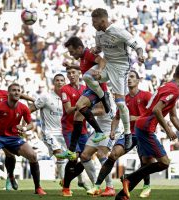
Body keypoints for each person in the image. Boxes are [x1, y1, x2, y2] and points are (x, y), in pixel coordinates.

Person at [116, 64, 179, 200]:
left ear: (174, 74)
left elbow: (173, 116)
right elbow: (156, 110)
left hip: (141, 126)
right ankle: (128, 178)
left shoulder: (166, 86)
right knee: (164, 163)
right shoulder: (174, 91)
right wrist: (168, 130)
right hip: (146, 128)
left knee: (147, 162)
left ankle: (122, 195)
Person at [83, 8, 145, 151]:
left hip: (120, 68)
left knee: (120, 104)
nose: (93, 24)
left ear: (103, 21)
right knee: (87, 76)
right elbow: (99, 48)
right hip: (107, 64)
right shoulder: (98, 33)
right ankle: (103, 96)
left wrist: (140, 55)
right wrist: (94, 50)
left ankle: (128, 133)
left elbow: (137, 46)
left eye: (94, 21)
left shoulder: (118, 31)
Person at [87, 70, 152, 198]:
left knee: (145, 161)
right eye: (128, 77)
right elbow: (117, 118)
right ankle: (97, 185)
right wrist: (112, 130)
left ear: (138, 81)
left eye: (132, 77)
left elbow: (152, 115)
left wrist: (132, 118)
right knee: (112, 155)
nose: (129, 79)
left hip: (144, 133)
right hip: (129, 133)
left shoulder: (146, 95)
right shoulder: (124, 99)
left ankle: (146, 185)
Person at [0, 83, 46, 195]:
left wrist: (25, 128)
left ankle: (38, 188)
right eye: (14, 90)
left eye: (18, 90)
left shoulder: (23, 107)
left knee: (33, 155)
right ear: (8, 93)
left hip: (14, 138)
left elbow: (31, 124)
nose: (17, 92)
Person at [55, 36, 111, 160]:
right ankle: (71, 151)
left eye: (72, 51)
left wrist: (100, 71)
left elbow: (102, 61)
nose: (71, 54)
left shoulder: (89, 54)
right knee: (77, 116)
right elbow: (83, 68)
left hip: (97, 89)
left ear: (80, 48)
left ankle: (99, 132)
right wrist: (71, 65)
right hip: (90, 88)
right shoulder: (82, 58)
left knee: (80, 107)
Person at [28, 73, 66, 180]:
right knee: (59, 154)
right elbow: (30, 109)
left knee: (68, 158)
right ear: (53, 82)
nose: (59, 82)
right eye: (57, 80)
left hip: (63, 133)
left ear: (65, 83)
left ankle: (75, 181)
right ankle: (64, 184)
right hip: (49, 132)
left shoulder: (67, 99)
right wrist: (25, 123)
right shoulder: (46, 97)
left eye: (61, 80)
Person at [59, 67, 90, 196]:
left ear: (79, 74)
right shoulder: (64, 89)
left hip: (82, 128)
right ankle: (66, 188)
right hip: (69, 128)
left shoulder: (85, 89)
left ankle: (65, 180)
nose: (71, 75)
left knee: (85, 157)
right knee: (74, 157)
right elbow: (67, 110)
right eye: (69, 73)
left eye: (73, 73)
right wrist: (81, 106)